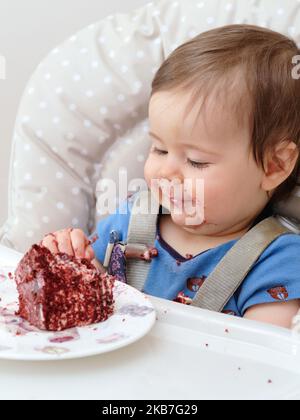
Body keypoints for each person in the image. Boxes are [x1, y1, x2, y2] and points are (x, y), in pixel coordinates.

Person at [41, 24, 300, 329]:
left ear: (274, 166)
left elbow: (260, 360)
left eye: (196, 161)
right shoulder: (131, 219)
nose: (166, 173)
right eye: (159, 150)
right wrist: (74, 264)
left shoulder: (277, 263)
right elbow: (95, 293)